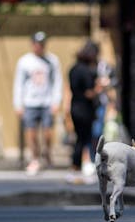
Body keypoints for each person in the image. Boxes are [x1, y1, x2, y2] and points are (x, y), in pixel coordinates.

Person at [13, 31, 63, 175]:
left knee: (48, 133)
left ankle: (47, 153)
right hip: (30, 102)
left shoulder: (52, 60)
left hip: (47, 101)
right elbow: (19, 84)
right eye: (37, 44)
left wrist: (56, 101)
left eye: (42, 44)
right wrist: (18, 103)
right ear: (32, 44)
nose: (39, 47)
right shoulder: (24, 61)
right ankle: (34, 158)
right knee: (31, 132)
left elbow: (57, 81)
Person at [65, 41, 103, 184]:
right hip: (84, 109)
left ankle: (77, 165)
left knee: (80, 138)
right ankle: (76, 165)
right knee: (83, 139)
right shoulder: (86, 71)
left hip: (75, 107)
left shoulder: (73, 69)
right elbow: (89, 93)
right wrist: (100, 88)